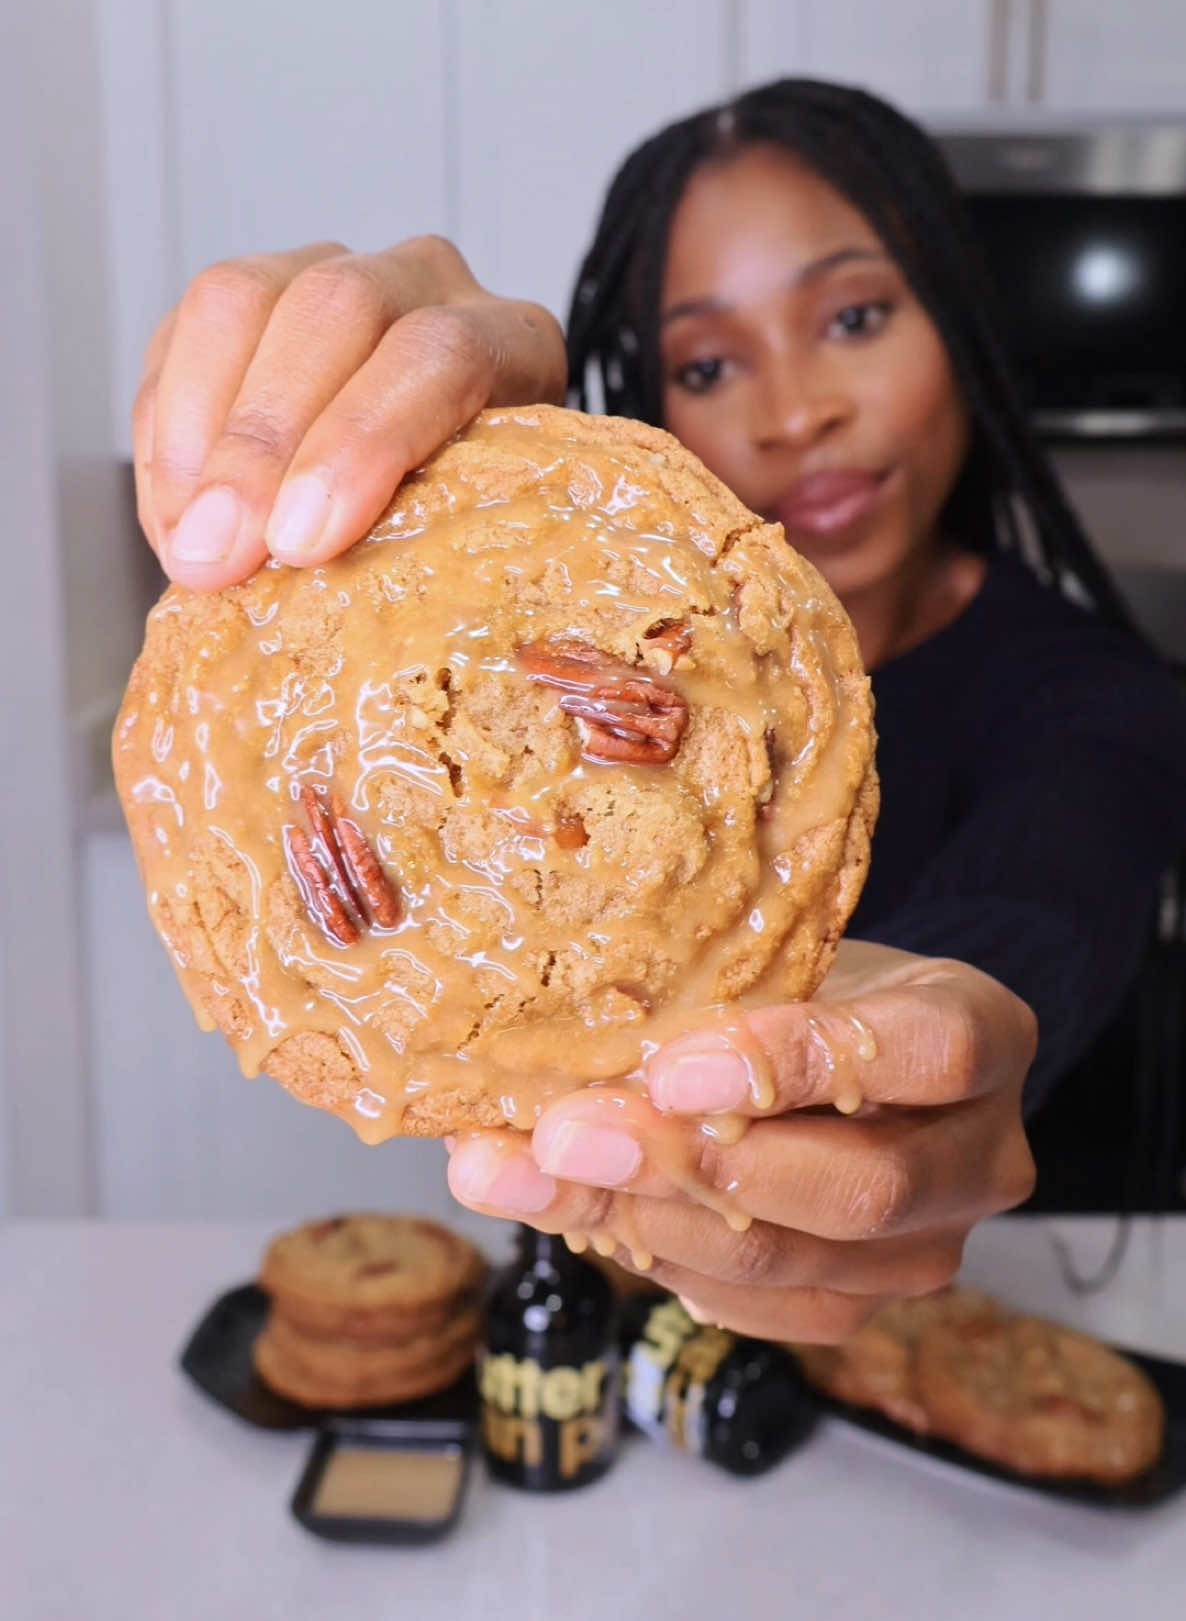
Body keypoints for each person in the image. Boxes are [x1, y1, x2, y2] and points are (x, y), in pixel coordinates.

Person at [133, 80, 1186, 1341]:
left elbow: (1031, 926)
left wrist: (918, 1066)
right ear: (650, 394)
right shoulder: (518, 548)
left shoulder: (1098, 703)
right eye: (707, 362)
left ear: (957, 322)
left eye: (854, 316)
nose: (796, 412)